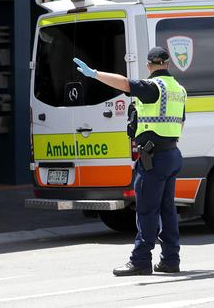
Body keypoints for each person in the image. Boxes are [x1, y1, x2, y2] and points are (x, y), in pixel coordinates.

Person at [73, 47, 186, 276]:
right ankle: (171, 260)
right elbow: (181, 122)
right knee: (168, 211)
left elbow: (124, 83)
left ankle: (141, 261)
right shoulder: (179, 90)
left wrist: (94, 73)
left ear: (148, 65)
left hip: (153, 158)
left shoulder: (153, 87)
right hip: (172, 153)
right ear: (168, 64)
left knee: (146, 210)